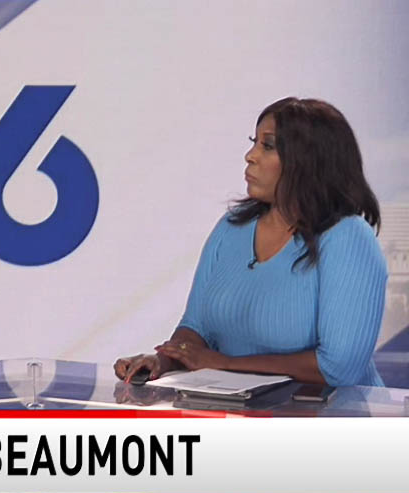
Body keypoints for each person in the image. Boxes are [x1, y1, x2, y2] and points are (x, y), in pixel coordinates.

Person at [114, 97, 386, 387]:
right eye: (253, 142)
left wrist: (225, 365)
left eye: (267, 146)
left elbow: (338, 368)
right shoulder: (232, 228)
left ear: (308, 161)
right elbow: (197, 328)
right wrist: (162, 362)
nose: (250, 155)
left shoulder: (348, 237)